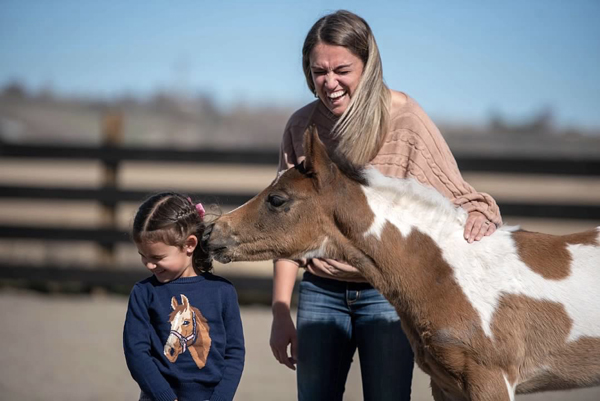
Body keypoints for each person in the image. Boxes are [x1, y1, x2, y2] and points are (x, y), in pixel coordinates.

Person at [270, 10, 503, 401]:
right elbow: (284, 225)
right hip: (320, 293)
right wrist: (279, 311)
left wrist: (480, 215)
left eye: (342, 69)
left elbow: (461, 198)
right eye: (318, 71)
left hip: (388, 297)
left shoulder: (406, 120)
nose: (329, 83)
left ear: (368, 64)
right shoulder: (301, 127)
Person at [123, 192, 245, 401]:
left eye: (157, 257)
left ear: (189, 245)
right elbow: (136, 352)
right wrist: (165, 396)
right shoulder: (143, 293)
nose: (149, 265)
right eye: (142, 256)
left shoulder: (223, 292)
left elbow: (234, 353)